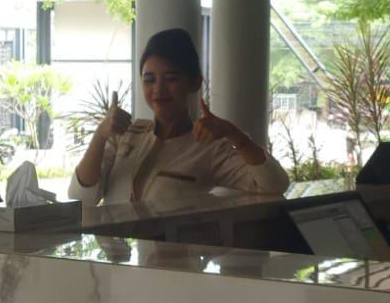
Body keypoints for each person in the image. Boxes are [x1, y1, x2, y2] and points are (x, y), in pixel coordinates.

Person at [69, 28, 289, 205]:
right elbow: (81, 198)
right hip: (116, 249)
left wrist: (234, 134)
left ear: (194, 82)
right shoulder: (124, 134)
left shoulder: (209, 147)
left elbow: (273, 185)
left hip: (175, 249)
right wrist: (100, 136)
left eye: (171, 78)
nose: (158, 90)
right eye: (149, 79)